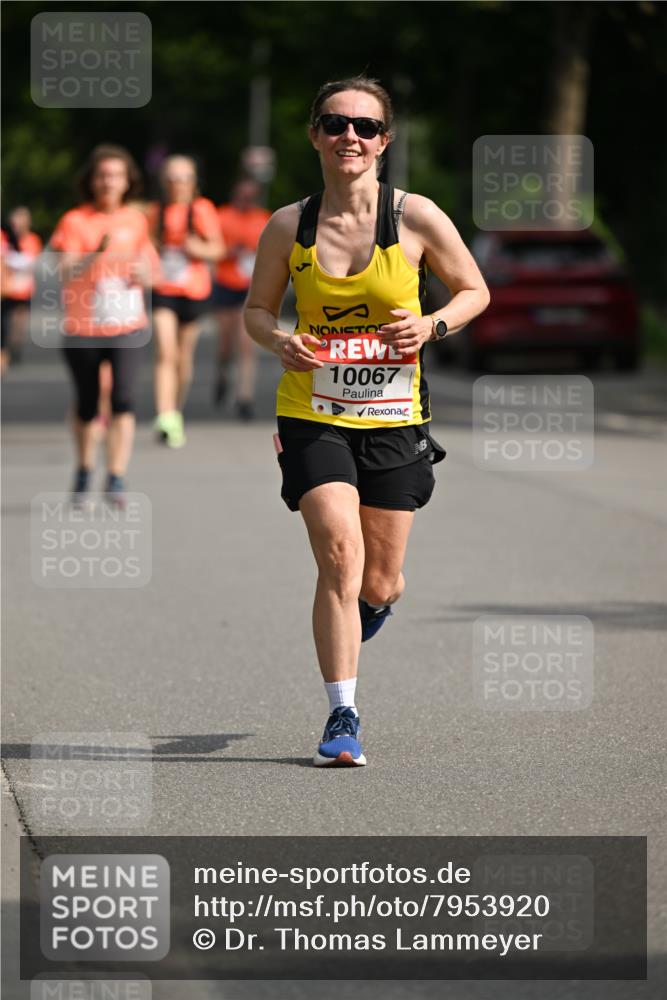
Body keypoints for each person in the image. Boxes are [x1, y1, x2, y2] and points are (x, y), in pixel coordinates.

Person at [245, 77, 490, 767]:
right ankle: (342, 716)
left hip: (392, 417)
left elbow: (475, 290)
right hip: (311, 412)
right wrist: (278, 340)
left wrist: (431, 324)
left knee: (377, 582)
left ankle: (364, 611)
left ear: (383, 140)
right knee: (338, 557)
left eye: (363, 125)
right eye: (333, 123)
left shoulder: (414, 218)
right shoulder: (287, 224)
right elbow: (255, 311)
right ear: (314, 135)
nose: (347, 136)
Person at [50, 144, 160, 507]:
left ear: (127, 181)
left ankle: (115, 476)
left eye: (115, 175)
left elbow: (152, 270)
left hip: (127, 325)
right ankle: (84, 470)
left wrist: (144, 272)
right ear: (91, 181)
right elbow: (63, 272)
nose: (108, 182)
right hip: (84, 327)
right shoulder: (74, 221)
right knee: (86, 405)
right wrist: (95, 254)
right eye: (102, 175)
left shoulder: (136, 220)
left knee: (123, 400)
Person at [148, 156, 224, 447]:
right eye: (170, 177)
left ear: (193, 181)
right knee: (165, 351)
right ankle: (164, 413)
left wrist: (198, 249)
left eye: (182, 177)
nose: (176, 183)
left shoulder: (202, 209)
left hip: (193, 290)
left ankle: (175, 412)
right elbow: (146, 246)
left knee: (182, 356)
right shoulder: (156, 211)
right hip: (163, 288)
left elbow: (218, 249)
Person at [212, 178, 270, 419]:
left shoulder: (264, 218)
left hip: (250, 286)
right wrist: (229, 252)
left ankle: (244, 397)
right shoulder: (221, 216)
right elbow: (211, 248)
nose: (246, 200)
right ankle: (223, 374)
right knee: (226, 345)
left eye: (250, 196)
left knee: (246, 343)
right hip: (226, 282)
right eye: (242, 195)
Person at [1, 207, 42, 373]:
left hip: (24, 289)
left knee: (18, 322)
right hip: (5, 289)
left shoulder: (32, 239)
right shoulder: (3, 237)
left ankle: (14, 349)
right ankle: (4, 354)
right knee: (4, 323)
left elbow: (31, 261)